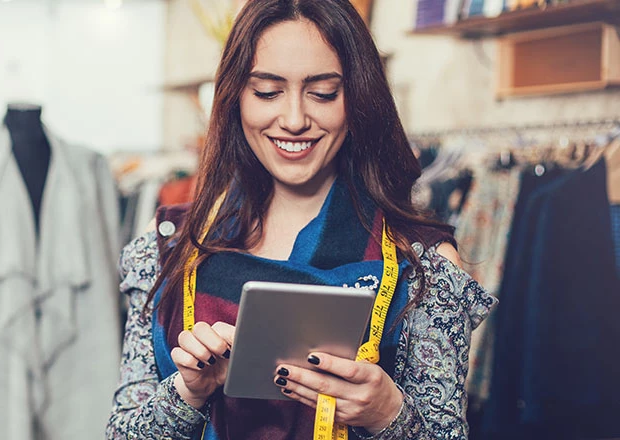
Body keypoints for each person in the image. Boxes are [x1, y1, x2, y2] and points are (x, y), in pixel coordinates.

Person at [106, 0, 496, 438]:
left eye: (323, 93)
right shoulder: (168, 248)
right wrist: (187, 392)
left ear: (360, 98)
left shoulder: (422, 262)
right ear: (234, 96)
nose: (294, 120)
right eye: (267, 92)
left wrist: (387, 413)